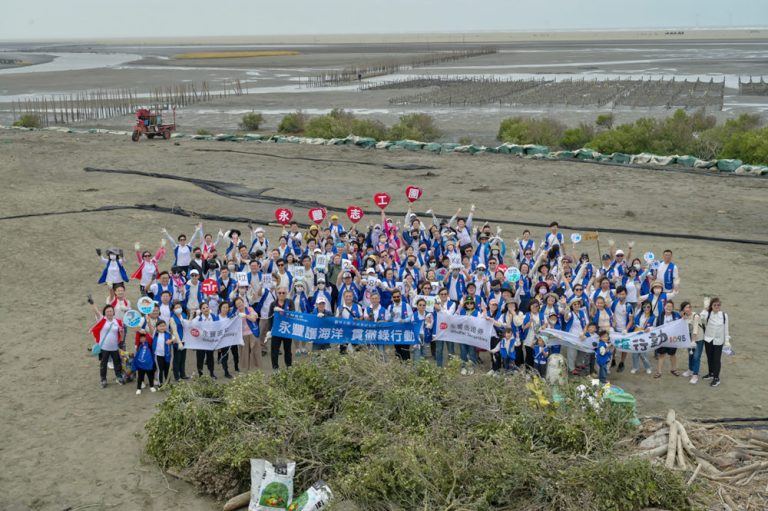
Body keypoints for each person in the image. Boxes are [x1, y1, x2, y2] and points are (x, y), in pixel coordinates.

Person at [89, 303, 125, 388]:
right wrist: (92, 303)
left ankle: (119, 377)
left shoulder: (118, 322)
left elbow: (122, 338)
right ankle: (103, 379)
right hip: (103, 348)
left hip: (115, 347)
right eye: (107, 311)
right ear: (105, 313)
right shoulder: (102, 320)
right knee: (103, 364)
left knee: (117, 363)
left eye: (111, 311)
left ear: (113, 312)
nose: (109, 313)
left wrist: (122, 331)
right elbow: (96, 311)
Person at [700, 297, 729, 387]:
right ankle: (711, 373)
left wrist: (727, 341)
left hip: (718, 341)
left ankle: (716, 378)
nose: (716, 306)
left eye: (718, 305)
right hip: (708, 339)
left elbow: (726, 329)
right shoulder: (708, 314)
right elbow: (701, 318)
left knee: (716, 359)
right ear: (711, 306)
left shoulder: (724, 315)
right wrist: (705, 308)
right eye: (714, 305)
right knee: (710, 357)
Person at [267, 287, 295, 370]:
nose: (281, 294)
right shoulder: (273, 304)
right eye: (279, 293)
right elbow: (270, 317)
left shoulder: (290, 302)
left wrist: (282, 311)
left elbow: (293, 314)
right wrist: (269, 330)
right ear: (277, 294)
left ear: (286, 294)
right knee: (274, 350)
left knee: (288, 350)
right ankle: (275, 368)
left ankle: (289, 366)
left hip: (286, 329)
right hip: (276, 330)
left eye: (283, 293)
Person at [654, 300, 681, 379]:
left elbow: (681, 322)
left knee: (672, 355)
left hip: (673, 339)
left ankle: (673, 369)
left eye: (670, 306)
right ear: (664, 306)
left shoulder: (676, 315)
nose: (669, 308)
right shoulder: (660, 316)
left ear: (673, 308)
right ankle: (659, 372)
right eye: (667, 306)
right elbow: (656, 327)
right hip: (663, 338)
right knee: (661, 355)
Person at [235, 296, 261, 371]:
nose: (239, 305)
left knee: (255, 352)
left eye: (240, 302)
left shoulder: (249, 309)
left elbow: (253, 319)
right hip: (243, 335)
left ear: (243, 302)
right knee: (245, 354)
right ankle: (246, 370)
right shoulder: (236, 313)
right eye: (237, 304)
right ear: (236, 306)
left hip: (252, 333)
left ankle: (256, 369)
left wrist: (246, 315)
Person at [681, 301, 704, 384]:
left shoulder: (695, 316)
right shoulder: (684, 317)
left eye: (689, 307)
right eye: (686, 307)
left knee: (696, 357)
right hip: (689, 339)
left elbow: (695, 330)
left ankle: (695, 375)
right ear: (683, 309)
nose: (688, 309)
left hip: (698, 339)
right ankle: (690, 370)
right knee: (690, 355)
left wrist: (693, 341)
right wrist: (683, 318)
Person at [195, 302, 218, 379]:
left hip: (210, 341)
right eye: (203, 308)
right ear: (201, 310)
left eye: (207, 307)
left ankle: (211, 373)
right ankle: (200, 374)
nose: (206, 309)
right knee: (200, 358)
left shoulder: (214, 317)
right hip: (200, 342)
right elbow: (191, 325)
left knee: (210, 357)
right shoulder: (198, 318)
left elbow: (220, 325)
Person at [132, 327, 156, 395]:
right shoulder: (139, 346)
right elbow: (137, 338)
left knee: (150, 376)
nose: (142, 339)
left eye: (144, 338)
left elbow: (150, 339)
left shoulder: (149, 344)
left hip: (148, 364)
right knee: (140, 377)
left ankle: (151, 386)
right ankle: (138, 388)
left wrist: (146, 333)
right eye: (141, 338)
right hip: (140, 365)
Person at [153, 319, 173, 385]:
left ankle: (167, 383)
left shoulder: (168, 334)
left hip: (167, 355)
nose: (162, 327)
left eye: (164, 326)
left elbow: (175, 338)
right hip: (158, 355)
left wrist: (171, 341)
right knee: (160, 370)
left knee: (167, 370)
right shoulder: (155, 334)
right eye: (160, 326)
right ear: (157, 327)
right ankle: (160, 384)